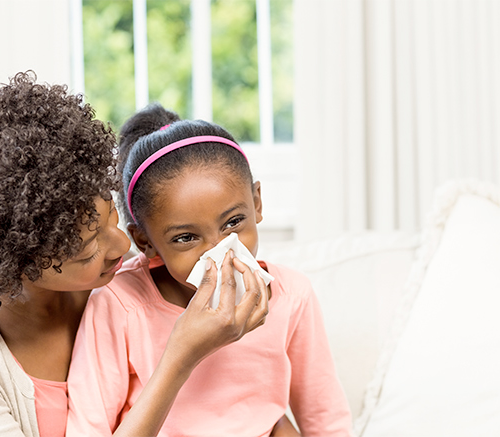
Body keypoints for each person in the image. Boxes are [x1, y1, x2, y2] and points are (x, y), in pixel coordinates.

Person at [0, 72, 270, 437]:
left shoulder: (138, 288)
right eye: (87, 252)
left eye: (110, 217)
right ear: (16, 268)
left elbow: (239, 395)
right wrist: (180, 357)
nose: (122, 246)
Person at [67, 103, 353, 436]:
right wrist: (185, 352)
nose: (218, 252)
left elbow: (325, 419)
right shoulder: (119, 303)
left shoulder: (292, 296)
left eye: (233, 222)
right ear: (144, 241)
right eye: (186, 238)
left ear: (257, 203)